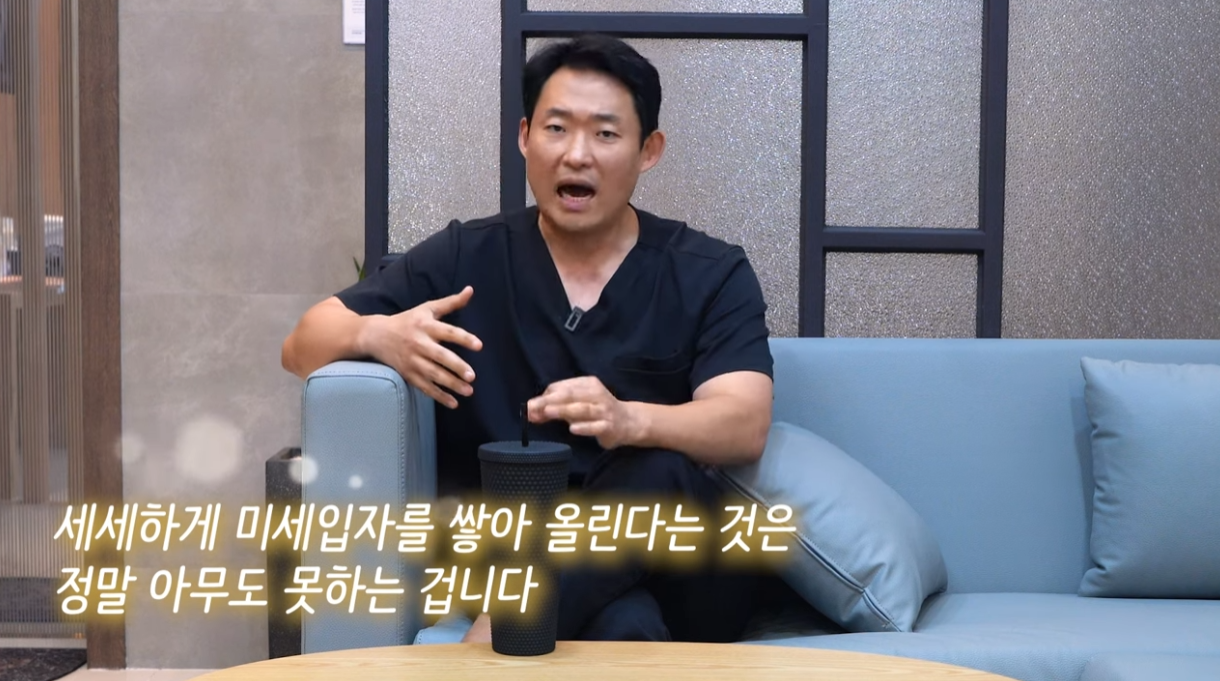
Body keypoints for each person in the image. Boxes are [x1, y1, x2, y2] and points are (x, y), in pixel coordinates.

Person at [281, 33, 776, 643]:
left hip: (680, 568)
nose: (577, 155)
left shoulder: (708, 271)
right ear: (524, 137)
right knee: (624, 623)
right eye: (557, 129)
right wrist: (374, 333)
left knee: (661, 467)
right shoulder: (465, 257)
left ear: (648, 151)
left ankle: (495, 639)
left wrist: (630, 420)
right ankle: (525, 619)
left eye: (605, 134)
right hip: (514, 559)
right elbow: (301, 346)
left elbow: (744, 423)